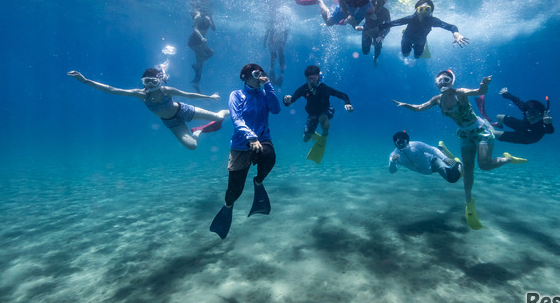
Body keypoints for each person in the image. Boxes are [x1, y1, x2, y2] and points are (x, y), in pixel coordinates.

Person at [392, 70, 526, 230]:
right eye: (439, 80)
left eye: (446, 79)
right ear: (436, 83)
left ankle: (508, 159)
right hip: (465, 133)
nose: (442, 82)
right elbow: (420, 108)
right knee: (468, 169)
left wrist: (484, 85)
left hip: (480, 130)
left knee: (484, 165)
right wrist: (405, 105)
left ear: (451, 81)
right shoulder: (437, 99)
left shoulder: (460, 93)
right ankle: (469, 203)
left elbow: (479, 92)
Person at [67, 68, 229, 150]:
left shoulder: (166, 90)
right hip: (171, 122)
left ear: (159, 81)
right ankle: (198, 130)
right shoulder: (141, 95)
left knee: (219, 118)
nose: (149, 85)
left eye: (153, 81)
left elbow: (189, 95)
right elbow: (112, 89)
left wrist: (210, 97)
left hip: (184, 110)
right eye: (146, 82)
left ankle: (228, 111)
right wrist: (86, 80)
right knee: (192, 146)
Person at [209, 64, 281, 239]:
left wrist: (269, 85)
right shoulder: (237, 95)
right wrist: (250, 136)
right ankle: (228, 206)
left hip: (262, 138)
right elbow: (236, 118)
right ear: (245, 77)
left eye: (261, 74)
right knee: (235, 190)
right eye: (256, 74)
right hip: (242, 143)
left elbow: (276, 109)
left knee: (269, 156)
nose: (259, 78)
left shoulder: (265, 93)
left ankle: (258, 182)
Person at [283, 65, 353, 163]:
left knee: (322, 118)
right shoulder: (303, 89)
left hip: (327, 110)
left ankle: (324, 134)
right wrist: (286, 99)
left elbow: (343, 95)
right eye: (308, 79)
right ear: (305, 78)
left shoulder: (325, 88)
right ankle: (312, 133)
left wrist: (348, 103)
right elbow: (289, 102)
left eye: (314, 78)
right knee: (306, 139)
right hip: (312, 114)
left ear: (318, 77)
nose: (311, 81)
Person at [378, 0, 469, 59]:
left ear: (431, 11)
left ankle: (424, 45)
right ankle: (403, 34)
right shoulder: (411, 19)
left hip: (420, 41)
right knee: (405, 55)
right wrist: (376, 30)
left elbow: (451, 27)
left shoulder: (433, 21)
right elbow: (390, 24)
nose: (423, 13)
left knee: (417, 57)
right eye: (421, 9)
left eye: (427, 9)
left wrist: (456, 34)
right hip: (407, 39)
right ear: (416, 11)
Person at [475, 88, 554, 144]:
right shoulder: (525, 109)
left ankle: (492, 129)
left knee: (494, 134)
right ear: (525, 112)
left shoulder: (544, 122)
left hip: (527, 137)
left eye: (536, 114)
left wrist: (548, 124)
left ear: (541, 114)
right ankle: (499, 125)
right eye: (529, 113)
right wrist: (507, 94)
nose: (532, 117)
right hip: (523, 126)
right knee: (499, 116)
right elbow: (518, 101)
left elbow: (550, 131)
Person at [389, 131, 462, 183]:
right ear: (395, 143)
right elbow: (392, 171)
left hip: (433, 161)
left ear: (407, 141)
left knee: (452, 178)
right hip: (428, 170)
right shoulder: (393, 156)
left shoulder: (416, 145)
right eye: (398, 142)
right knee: (436, 152)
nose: (400, 144)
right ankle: (440, 147)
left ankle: (458, 163)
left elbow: (432, 149)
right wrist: (393, 161)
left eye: (402, 141)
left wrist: (445, 158)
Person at [355, 0, 391, 66]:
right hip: (366, 30)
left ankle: (375, 58)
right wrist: (356, 27)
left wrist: (382, 36)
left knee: (378, 50)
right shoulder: (367, 9)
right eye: (377, 6)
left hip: (379, 32)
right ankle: (372, 42)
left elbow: (388, 26)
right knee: (365, 52)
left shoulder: (385, 11)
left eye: (382, 4)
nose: (379, 7)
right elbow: (356, 22)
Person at [188, 10, 216, 93]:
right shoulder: (198, 17)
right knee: (200, 63)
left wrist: (211, 17)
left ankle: (197, 69)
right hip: (195, 41)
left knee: (210, 53)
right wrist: (201, 38)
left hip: (201, 42)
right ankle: (196, 84)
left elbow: (214, 29)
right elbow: (195, 29)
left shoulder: (208, 18)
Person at [263, 13, 289, 86]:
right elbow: (285, 33)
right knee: (278, 56)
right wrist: (264, 41)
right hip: (274, 42)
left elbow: (267, 32)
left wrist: (264, 41)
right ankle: (278, 73)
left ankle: (274, 71)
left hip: (275, 42)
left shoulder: (276, 23)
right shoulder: (279, 23)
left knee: (276, 56)